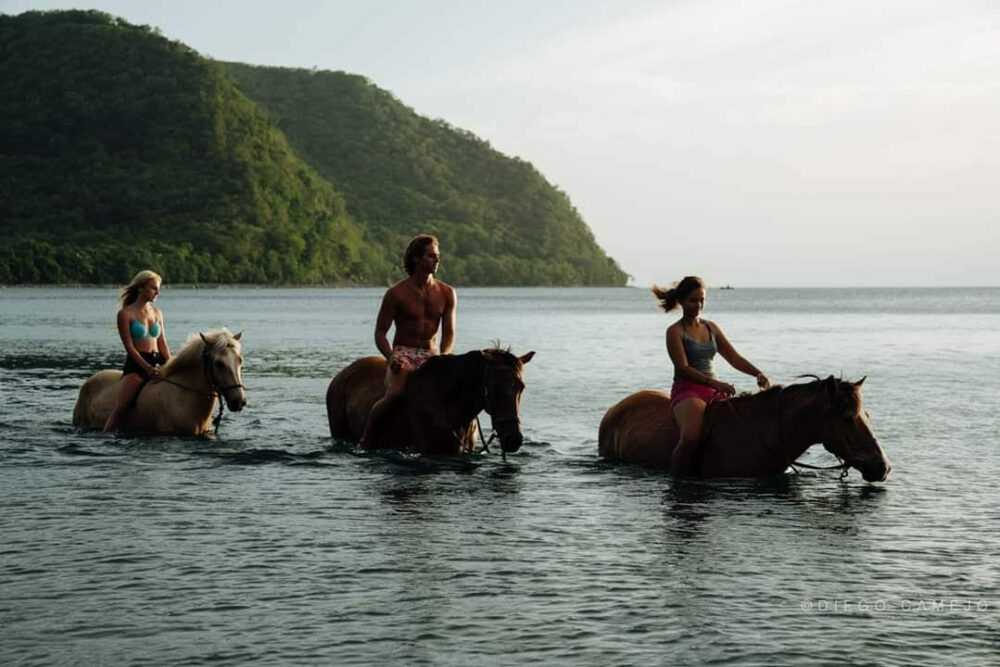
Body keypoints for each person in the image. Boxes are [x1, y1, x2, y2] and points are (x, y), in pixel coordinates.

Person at [652, 276, 770, 475]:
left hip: (714, 390)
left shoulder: (711, 328)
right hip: (688, 389)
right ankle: (677, 479)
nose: (698, 305)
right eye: (693, 300)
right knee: (691, 436)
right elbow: (682, 367)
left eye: (702, 300)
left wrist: (757, 373)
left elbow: (733, 357)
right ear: (681, 301)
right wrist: (714, 382)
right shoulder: (674, 331)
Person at [359, 234, 457, 446]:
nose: (437, 260)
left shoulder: (447, 293)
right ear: (416, 259)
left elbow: (449, 333)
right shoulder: (396, 294)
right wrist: (391, 357)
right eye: (431, 256)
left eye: (437, 256)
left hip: (431, 354)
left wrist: (445, 356)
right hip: (403, 352)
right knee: (395, 394)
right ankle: (366, 440)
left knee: (455, 393)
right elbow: (380, 333)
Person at [104, 270, 171, 431]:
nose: (158, 292)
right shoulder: (125, 314)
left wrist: (171, 364)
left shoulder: (157, 313)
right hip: (137, 364)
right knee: (121, 408)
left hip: (158, 360)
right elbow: (130, 348)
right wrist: (147, 368)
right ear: (141, 288)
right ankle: (105, 437)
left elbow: (162, 344)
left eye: (158, 288)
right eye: (153, 288)